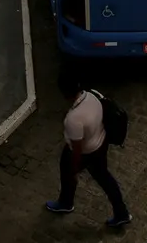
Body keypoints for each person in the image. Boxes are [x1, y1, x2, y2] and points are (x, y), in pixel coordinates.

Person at [44, 73, 132, 228]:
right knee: (105, 179)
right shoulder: (92, 96)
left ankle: (66, 202)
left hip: (86, 152)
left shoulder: (73, 119)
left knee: (67, 173)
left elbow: (77, 149)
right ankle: (122, 212)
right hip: (101, 143)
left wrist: (74, 170)